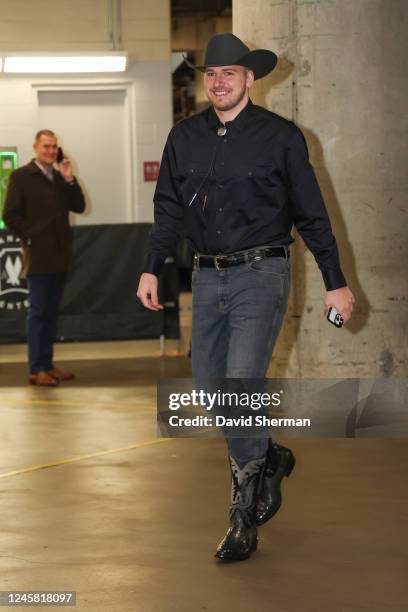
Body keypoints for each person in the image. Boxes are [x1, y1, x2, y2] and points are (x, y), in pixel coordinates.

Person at [137, 33, 355, 561]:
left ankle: (241, 513)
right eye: (211, 74)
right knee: (213, 390)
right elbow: (168, 209)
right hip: (207, 276)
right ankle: (270, 456)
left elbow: (311, 213)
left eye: (229, 73)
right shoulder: (183, 137)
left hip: (263, 272)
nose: (218, 81)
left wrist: (336, 279)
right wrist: (151, 267)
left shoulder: (280, 137)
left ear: (250, 79)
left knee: (240, 385)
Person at [2, 129, 86, 386]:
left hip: (60, 256)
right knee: (38, 314)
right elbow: (10, 214)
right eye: (46, 147)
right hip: (38, 255)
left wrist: (70, 179)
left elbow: (79, 206)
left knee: (50, 313)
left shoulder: (60, 177)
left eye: (53, 147)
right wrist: (31, 236)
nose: (50, 151)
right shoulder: (21, 177)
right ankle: (36, 368)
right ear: (35, 147)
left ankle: (47, 365)